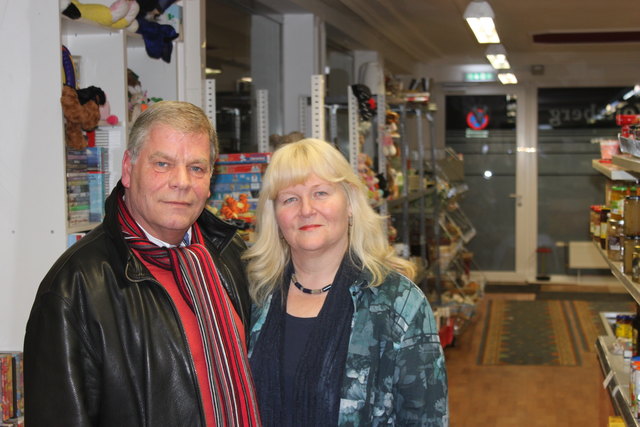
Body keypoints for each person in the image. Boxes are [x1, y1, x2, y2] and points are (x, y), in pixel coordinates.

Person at [24, 101, 261, 426]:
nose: (182, 182)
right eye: (163, 164)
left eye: (197, 168)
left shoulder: (229, 254)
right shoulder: (74, 287)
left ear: (210, 180)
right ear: (127, 169)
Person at [245, 138, 448, 426]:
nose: (306, 209)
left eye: (321, 193)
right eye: (290, 198)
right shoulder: (254, 298)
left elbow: (426, 418)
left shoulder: (398, 303)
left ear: (350, 203)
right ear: (275, 216)